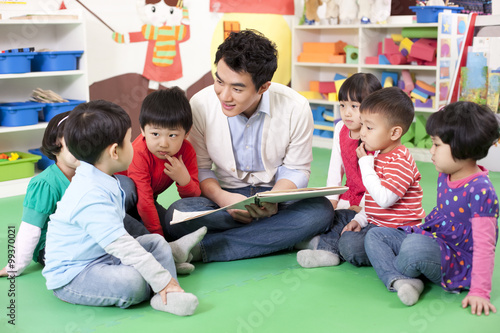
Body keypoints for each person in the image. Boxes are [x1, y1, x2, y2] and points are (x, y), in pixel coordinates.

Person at [162, 29, 333, 262]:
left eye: (237, 88)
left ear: (263, 87)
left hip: (277, 198)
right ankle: (283, 238)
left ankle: (202, 250)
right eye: (219, 81)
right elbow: (201, 169)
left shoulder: (296, 107)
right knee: (175, 215)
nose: (224, 95)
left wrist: (274, 199)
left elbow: (297, 169)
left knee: (321, 210)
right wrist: (224, 199)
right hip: (224, 199)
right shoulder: (200, 105)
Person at [42, 100, 199, 316]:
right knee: (133, 283)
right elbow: (123, 245)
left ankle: (167, 293)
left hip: (103, 253)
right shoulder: (89, 195)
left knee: (155, 241)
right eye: (129, 140)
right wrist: (159, 278)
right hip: (75, 274)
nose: (135, 145)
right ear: (115, 151)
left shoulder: (103, 177)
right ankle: (164, 285)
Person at [365, 101, 499, 315]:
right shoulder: (444, 174)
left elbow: (485, 246)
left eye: (436, 145)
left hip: (457, 262)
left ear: (462, 146)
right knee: (375, 236)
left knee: (414, 248)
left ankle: (392, 268)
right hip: (432, 240)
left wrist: (480, 292)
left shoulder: (481, 190)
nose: (431, 151)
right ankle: (402, 280)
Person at [297, 73, 382, 268]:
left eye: (354, 106)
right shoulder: (340, 129)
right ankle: (319, 239)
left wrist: (362, 207)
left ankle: (328, 250)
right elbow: (335, 169)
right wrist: (330, 202)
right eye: (343, 105)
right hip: (348, 194)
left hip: (370, 200)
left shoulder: (376, 137)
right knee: (318, 211)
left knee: (348, 223)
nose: (347, 113)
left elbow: (379, 179)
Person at [0, 112, 78, 278]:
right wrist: (14, 266)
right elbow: (30, 229)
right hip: (52, 246)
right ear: (56, 144)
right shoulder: (45, 185)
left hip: (79, 235)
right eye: (74, 142)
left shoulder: (86, 174)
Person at [117, 87, 201, 237]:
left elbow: (193, 199)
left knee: (171, 227)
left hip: (147, 201)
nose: (163, 143)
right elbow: (143, 200)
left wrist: (184, 180)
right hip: (119, 197)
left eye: (173, 135)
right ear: (142, 130)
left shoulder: (187, 151)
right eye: (155, 134)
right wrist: (159, 239)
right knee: (128, 188)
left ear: (186, 133)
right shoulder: (139, 152)